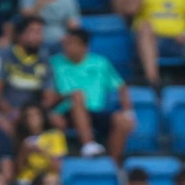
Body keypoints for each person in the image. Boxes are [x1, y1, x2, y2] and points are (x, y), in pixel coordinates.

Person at [51, 26, 134, 159]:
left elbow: (121, 87)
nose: (68, 47)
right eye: (67, 44)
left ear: (85, 47)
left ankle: (113, 165)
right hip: (66, 111)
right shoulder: (54, 63)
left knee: (122, 120)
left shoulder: (100, 63)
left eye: (73, 44)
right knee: (78, 96)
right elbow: (48, 93)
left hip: (95, 111)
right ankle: (88, 145)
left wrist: (129, 111)